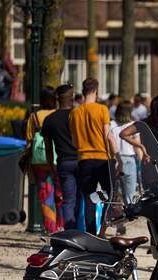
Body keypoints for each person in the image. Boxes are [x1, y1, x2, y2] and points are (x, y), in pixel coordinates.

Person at [69, 77, 116, 233]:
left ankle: (90, 233)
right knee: (110, 193)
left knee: (89, 198)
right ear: (96, 91)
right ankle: (102, 229)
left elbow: (74, 142)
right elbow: (107, 135)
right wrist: (116, 156)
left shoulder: (75, 113)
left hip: (84, 159)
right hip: (102, 158)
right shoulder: (102, 109)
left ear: (83, 92)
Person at [42, 83, 79, 230]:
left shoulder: (50, 119)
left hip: (64, 162)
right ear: (72, 98)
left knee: (68, 200)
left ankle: (70, 234)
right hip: (81, 159)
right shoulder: (78, 115)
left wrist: (51, 166)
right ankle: (84, 233)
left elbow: (48, 148)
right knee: (82, 199)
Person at [25, 86, 61, 233]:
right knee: (60, 193)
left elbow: (28, 138)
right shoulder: (58, 114)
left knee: (46, 195)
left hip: (39, 161)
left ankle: (50, 228)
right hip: (57, 158)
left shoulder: (34, 116)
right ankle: (62, 227)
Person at [111, 101, 138, 205]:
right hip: (130, 160)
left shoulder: (111, 125)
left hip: (115, 160)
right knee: (129, 195)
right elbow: (137, 146)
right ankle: (128, 215)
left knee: (115, 192)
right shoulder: (133, 125)